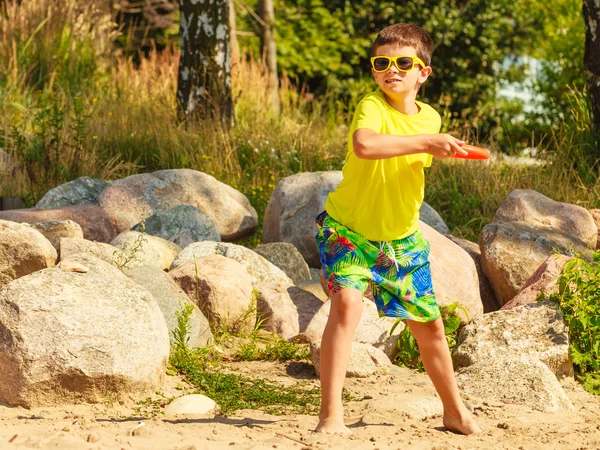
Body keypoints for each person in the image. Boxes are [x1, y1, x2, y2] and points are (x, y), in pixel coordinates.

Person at [314, 23, 482, 436]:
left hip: (401, 240)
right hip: (347, 232)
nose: (392, 69)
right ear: (374, 70)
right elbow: (365, 146)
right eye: (382, 62)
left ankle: (454, 411)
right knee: (348, 306)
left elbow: (404, 173)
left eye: (403, 62)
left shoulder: (431, 118)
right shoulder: (372, 105)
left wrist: (435, 141)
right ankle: (330, 415)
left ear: (423, 72)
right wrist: (428, 143)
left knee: (430, 328)